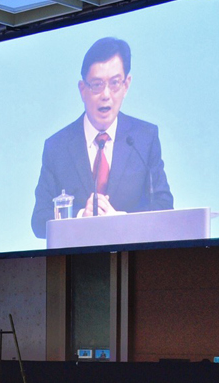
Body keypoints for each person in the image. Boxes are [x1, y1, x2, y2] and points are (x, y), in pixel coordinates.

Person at [30, 36, 173, 240]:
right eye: (97, 85)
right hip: (75, 264)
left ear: (126, 85)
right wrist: (79, 217)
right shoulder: (57, 147)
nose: (106, 94)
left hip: (132, 259)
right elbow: (38, 220)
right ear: (82, 89)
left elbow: (164, 206)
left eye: (114, 83)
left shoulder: (144, 138)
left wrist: (121, 220)